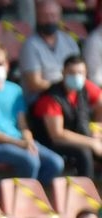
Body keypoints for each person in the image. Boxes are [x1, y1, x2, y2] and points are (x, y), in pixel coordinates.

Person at [0, 47, 64, 182]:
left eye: (0, 63)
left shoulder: (15, 90)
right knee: (30, 161)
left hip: (18, 142)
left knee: (56, 163)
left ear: (7, 65)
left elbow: (23, 125)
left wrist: (28, 141)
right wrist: (20, 143)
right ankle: (24, 193)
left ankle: (33, 191)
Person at [28, 54, 102, 182]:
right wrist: (92, 142)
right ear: (63, 73)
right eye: (71, 72)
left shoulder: (85, 87)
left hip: (79, 136)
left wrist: (96, 129)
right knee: (84, 153)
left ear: (86, 74)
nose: (76, 76)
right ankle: (85, 192)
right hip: (50, 143)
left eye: (80, 73)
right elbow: (57, 135)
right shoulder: (51, 98)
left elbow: (100, 103)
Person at [20, 0, 82, 98]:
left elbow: (80, 69)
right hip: (43, 97)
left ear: (59, 17)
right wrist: (63, 85)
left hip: (69, 95)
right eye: (45, 16)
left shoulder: (69, 41)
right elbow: (34, 83)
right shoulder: (30, 45)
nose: (49, 20)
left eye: (53, 15)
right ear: (37, 17)